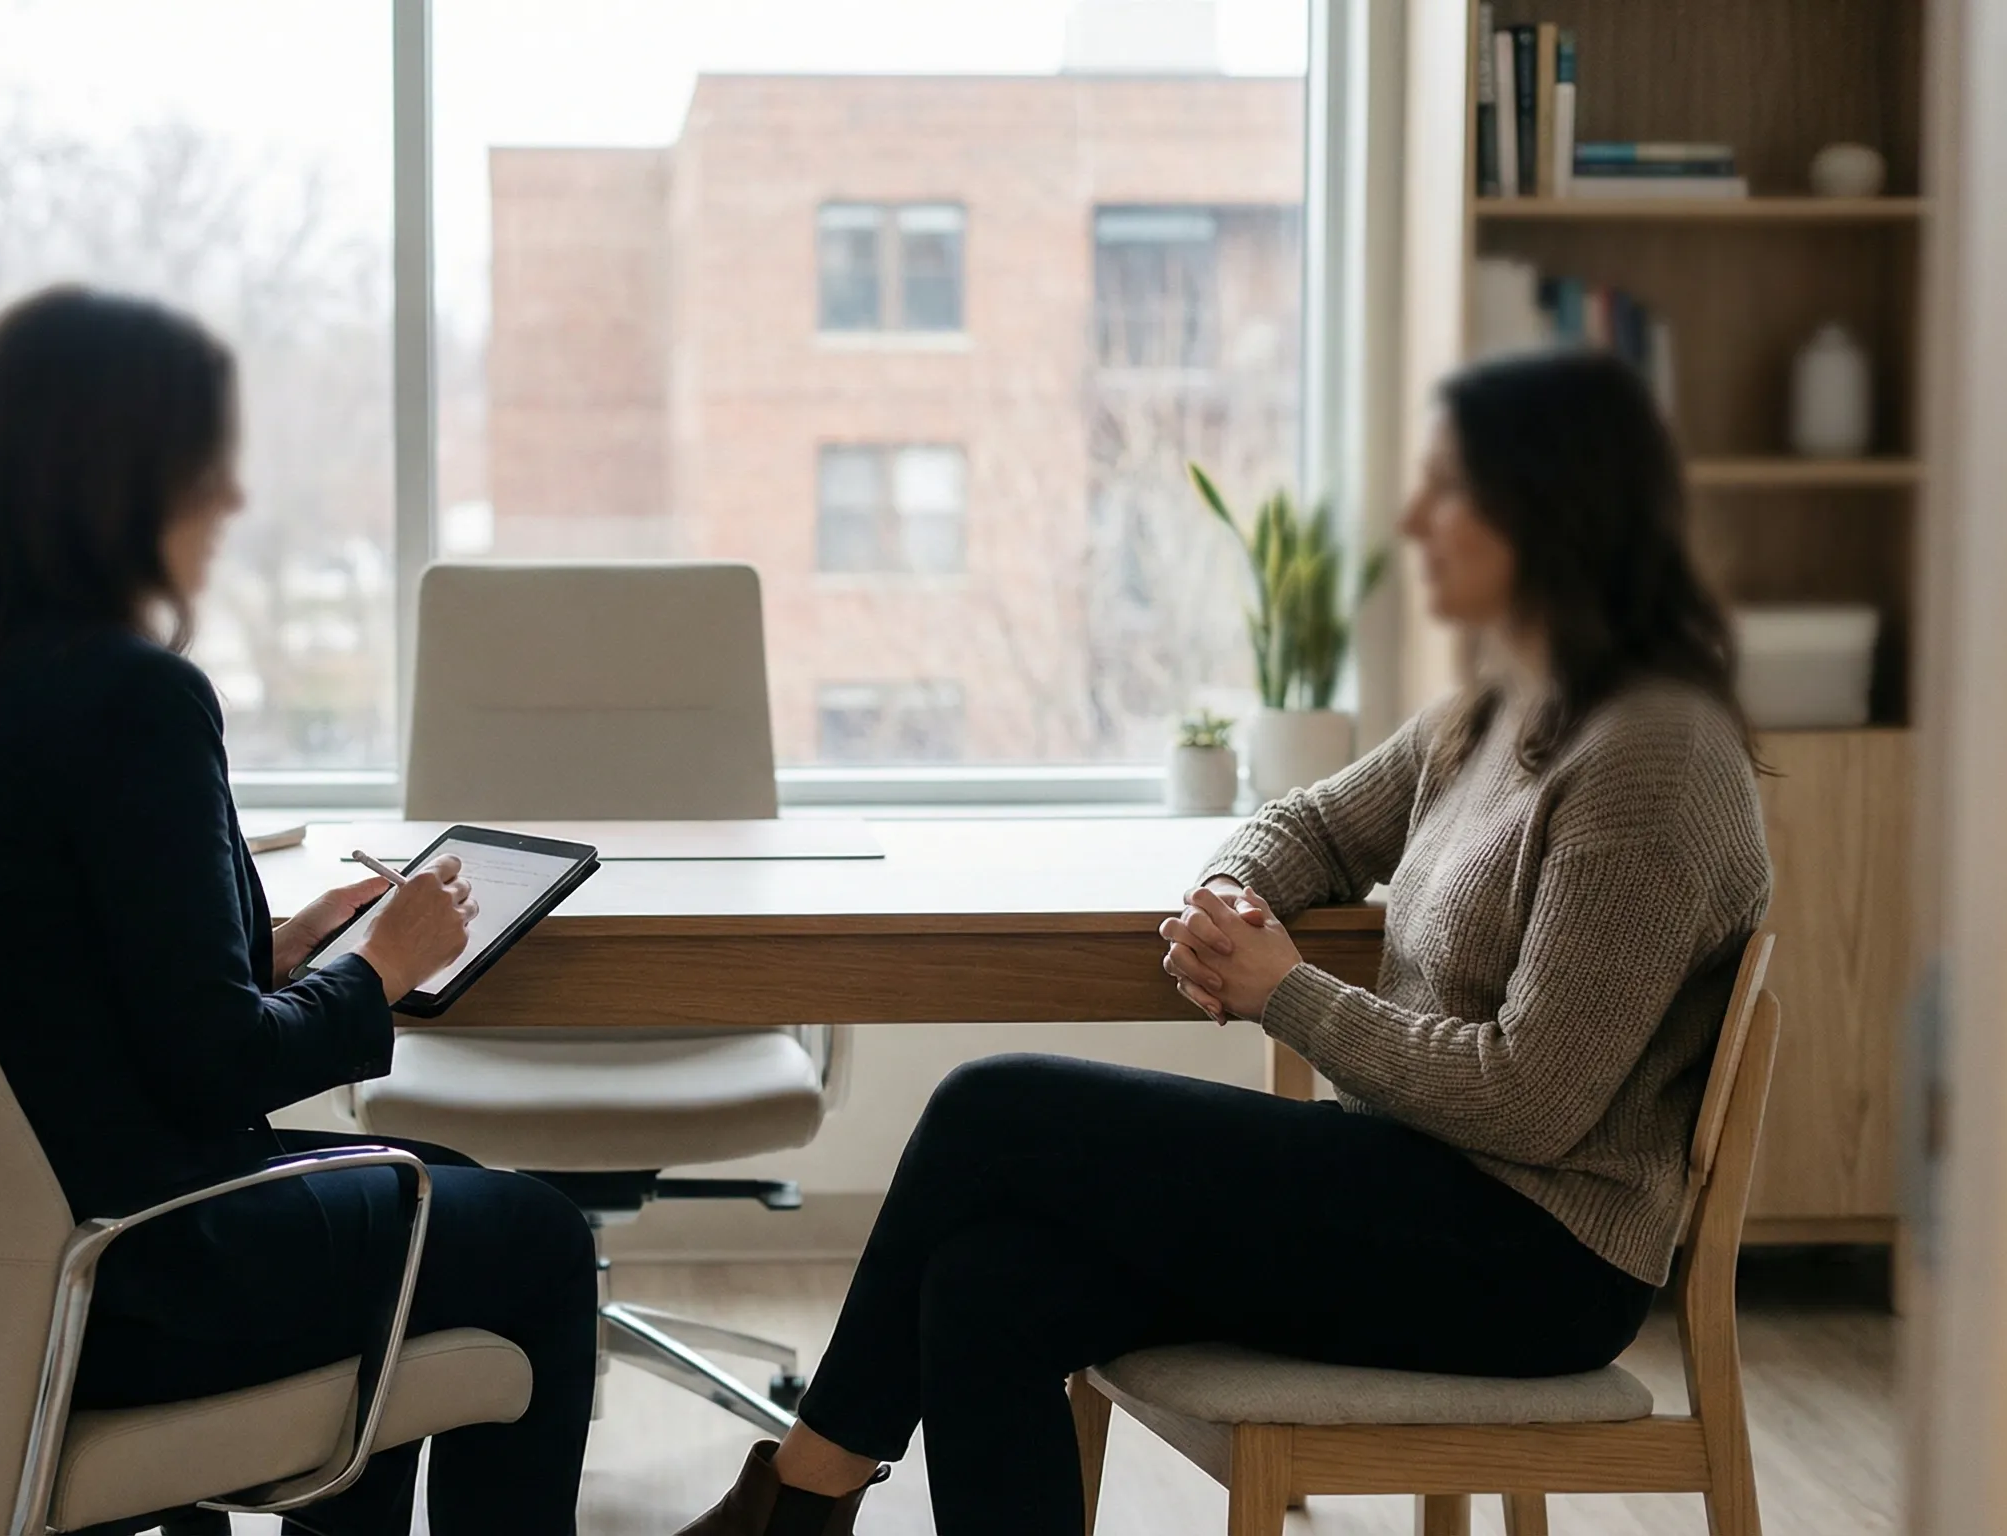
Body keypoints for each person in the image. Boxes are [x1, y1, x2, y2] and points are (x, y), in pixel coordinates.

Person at [672, 349, 1773, 1536]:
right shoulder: (1504, 701)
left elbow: (1535, 1100)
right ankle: (802, 1505)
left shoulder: (1652, 756)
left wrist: (1285, 995)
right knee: (984, 1286)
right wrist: (1232, 901)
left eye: (1448, 491)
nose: (1416, 522)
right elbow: (1308, 823)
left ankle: (800, 1498)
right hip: (1411, 1189)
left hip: (1533, 1260)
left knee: (992, 1109)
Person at [0, 287, 598, 1536]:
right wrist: (381, 971)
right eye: (204, 462)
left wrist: (280, 951)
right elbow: (215, 1070)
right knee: (531, 1238)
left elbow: (50, 982)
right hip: (137, 1271)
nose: (229, 499)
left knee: (444, 1188)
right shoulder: (132, 699)